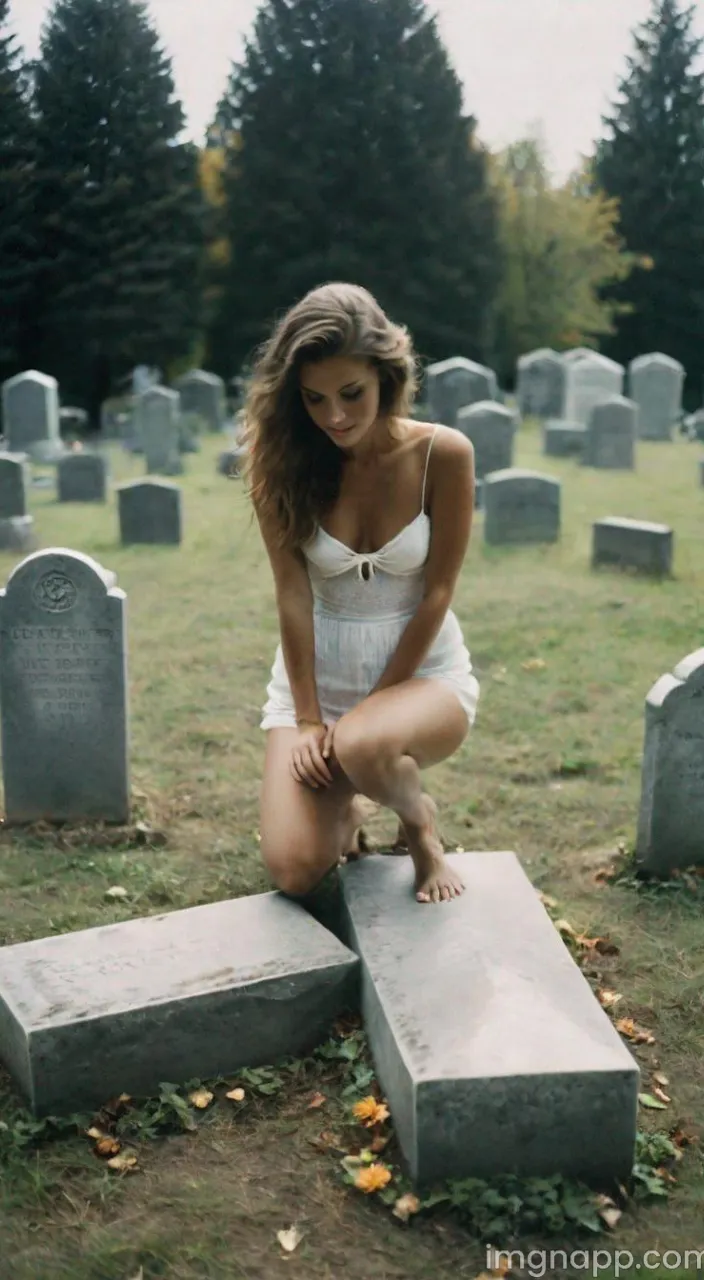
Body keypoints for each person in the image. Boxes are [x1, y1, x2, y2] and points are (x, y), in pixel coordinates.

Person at [241, 282, 479, 905]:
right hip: (316, 683)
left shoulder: (443, 455)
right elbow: (292, 595)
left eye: (352, 394)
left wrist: (369, 710)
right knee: (295, 871)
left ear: (386, 375)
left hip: (423, 675)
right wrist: (309, 719)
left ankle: (420, 827)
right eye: (314, 400)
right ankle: (345, 806)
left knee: (366, 740)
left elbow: (439, 591)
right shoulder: (279, 462)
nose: (336, 417)